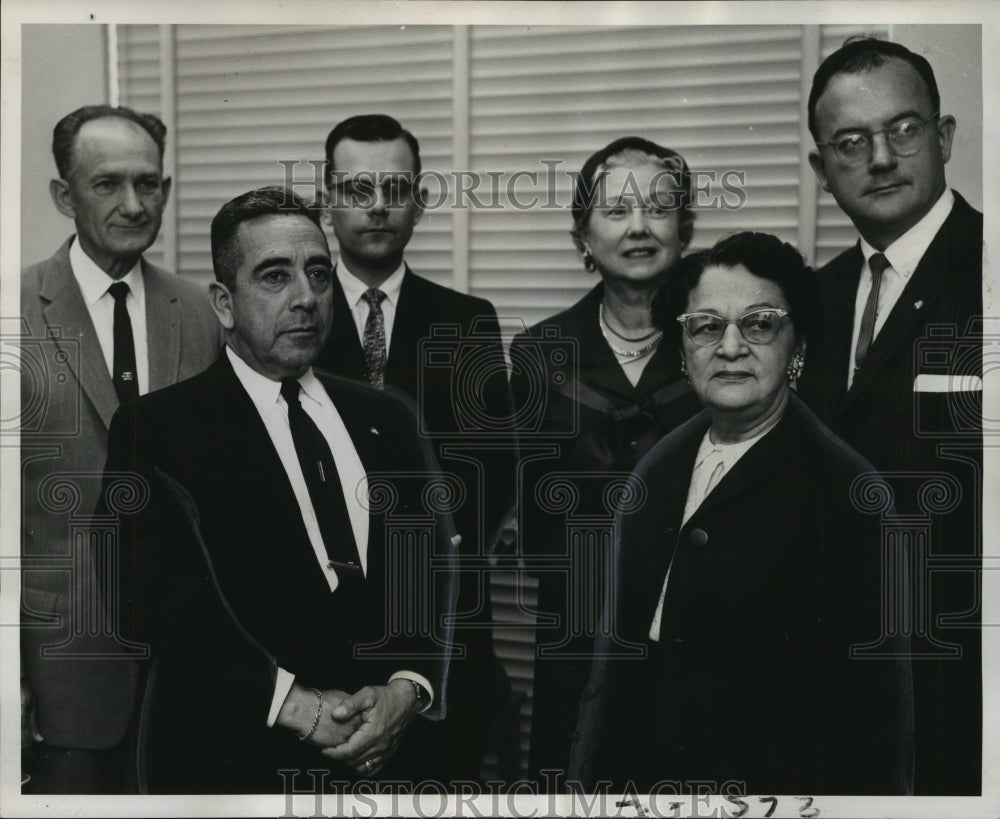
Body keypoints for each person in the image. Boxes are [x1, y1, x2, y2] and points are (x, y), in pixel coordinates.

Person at [100, 187, 453, 793]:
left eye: (318, 274)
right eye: (274, 277)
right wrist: (296, 707)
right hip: (231, 762)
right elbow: (148, 602)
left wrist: (405, 689)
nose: (306, 298)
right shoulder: (157, 429)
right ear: (224, 302)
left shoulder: (387, 417)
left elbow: (426, 568)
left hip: (384, 759)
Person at [570, 231, 914, 795]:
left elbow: (876, 721)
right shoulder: (657, 468)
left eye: (759, 323)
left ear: (796, 343)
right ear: (682, 349)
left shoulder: (850, 492)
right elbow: (608, 678)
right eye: (706, 326)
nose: (730, 347)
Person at [19, 104, 221, 793]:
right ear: (63, 195)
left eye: (150, 183)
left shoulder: (198, 310)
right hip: (62, 680)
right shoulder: (13, 311)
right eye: (108, 184)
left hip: (192, 672)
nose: (134, 204)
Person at [799, 37, 982, 795]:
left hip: (965, 680)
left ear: (942, 139)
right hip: (832, 676)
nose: (880, 157)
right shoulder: (815, 295)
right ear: (821, 168)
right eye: (851, 141)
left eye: (903, 130)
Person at [314, 114, 516, 781]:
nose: (377, 205)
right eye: (358, 187)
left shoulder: (465, 320)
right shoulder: (293, 316)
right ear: (328, 198)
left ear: (420, 202)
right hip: (321, 618)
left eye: (395, 188)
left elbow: (489, 476)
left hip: (439, 621)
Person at [508, 136, 702, 783]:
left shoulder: (723, 346)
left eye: (659, 207)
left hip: (700, 630)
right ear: (583, 237)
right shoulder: (541, 354)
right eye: (617, 210)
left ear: (686, 228)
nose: (640, 226)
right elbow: (537, 524)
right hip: (578, 634)